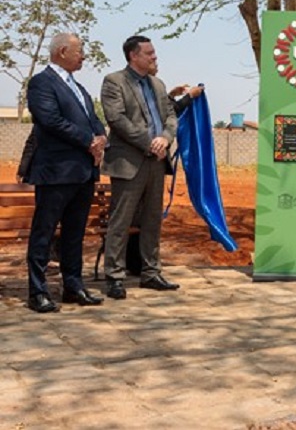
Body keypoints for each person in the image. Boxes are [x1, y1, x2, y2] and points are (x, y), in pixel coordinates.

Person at [24, 32, 107, 313]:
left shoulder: (79, 88)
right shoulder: (41, 83)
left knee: (74, 233)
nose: (83, 56)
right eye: (79, 51)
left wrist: (101, 138)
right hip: (56, 171)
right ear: (62, 52)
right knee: (44, 232)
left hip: (83, 172)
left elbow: (94, 119)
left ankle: (73, 286)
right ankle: (38, 292)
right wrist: (88, 141)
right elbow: (51, 120)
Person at [101, 35, 180, 299]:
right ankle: (114, 276)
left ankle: (151, 273)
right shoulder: (114, 81)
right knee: (120, 222)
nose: (154, 57)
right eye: (150, 53)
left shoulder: (158, 84)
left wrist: (165, 139)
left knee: (152, 220)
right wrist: (150, 143)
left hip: (157, 162)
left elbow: (170, 116)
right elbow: (116, 119)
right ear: (134, 56)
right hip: (129, 162)